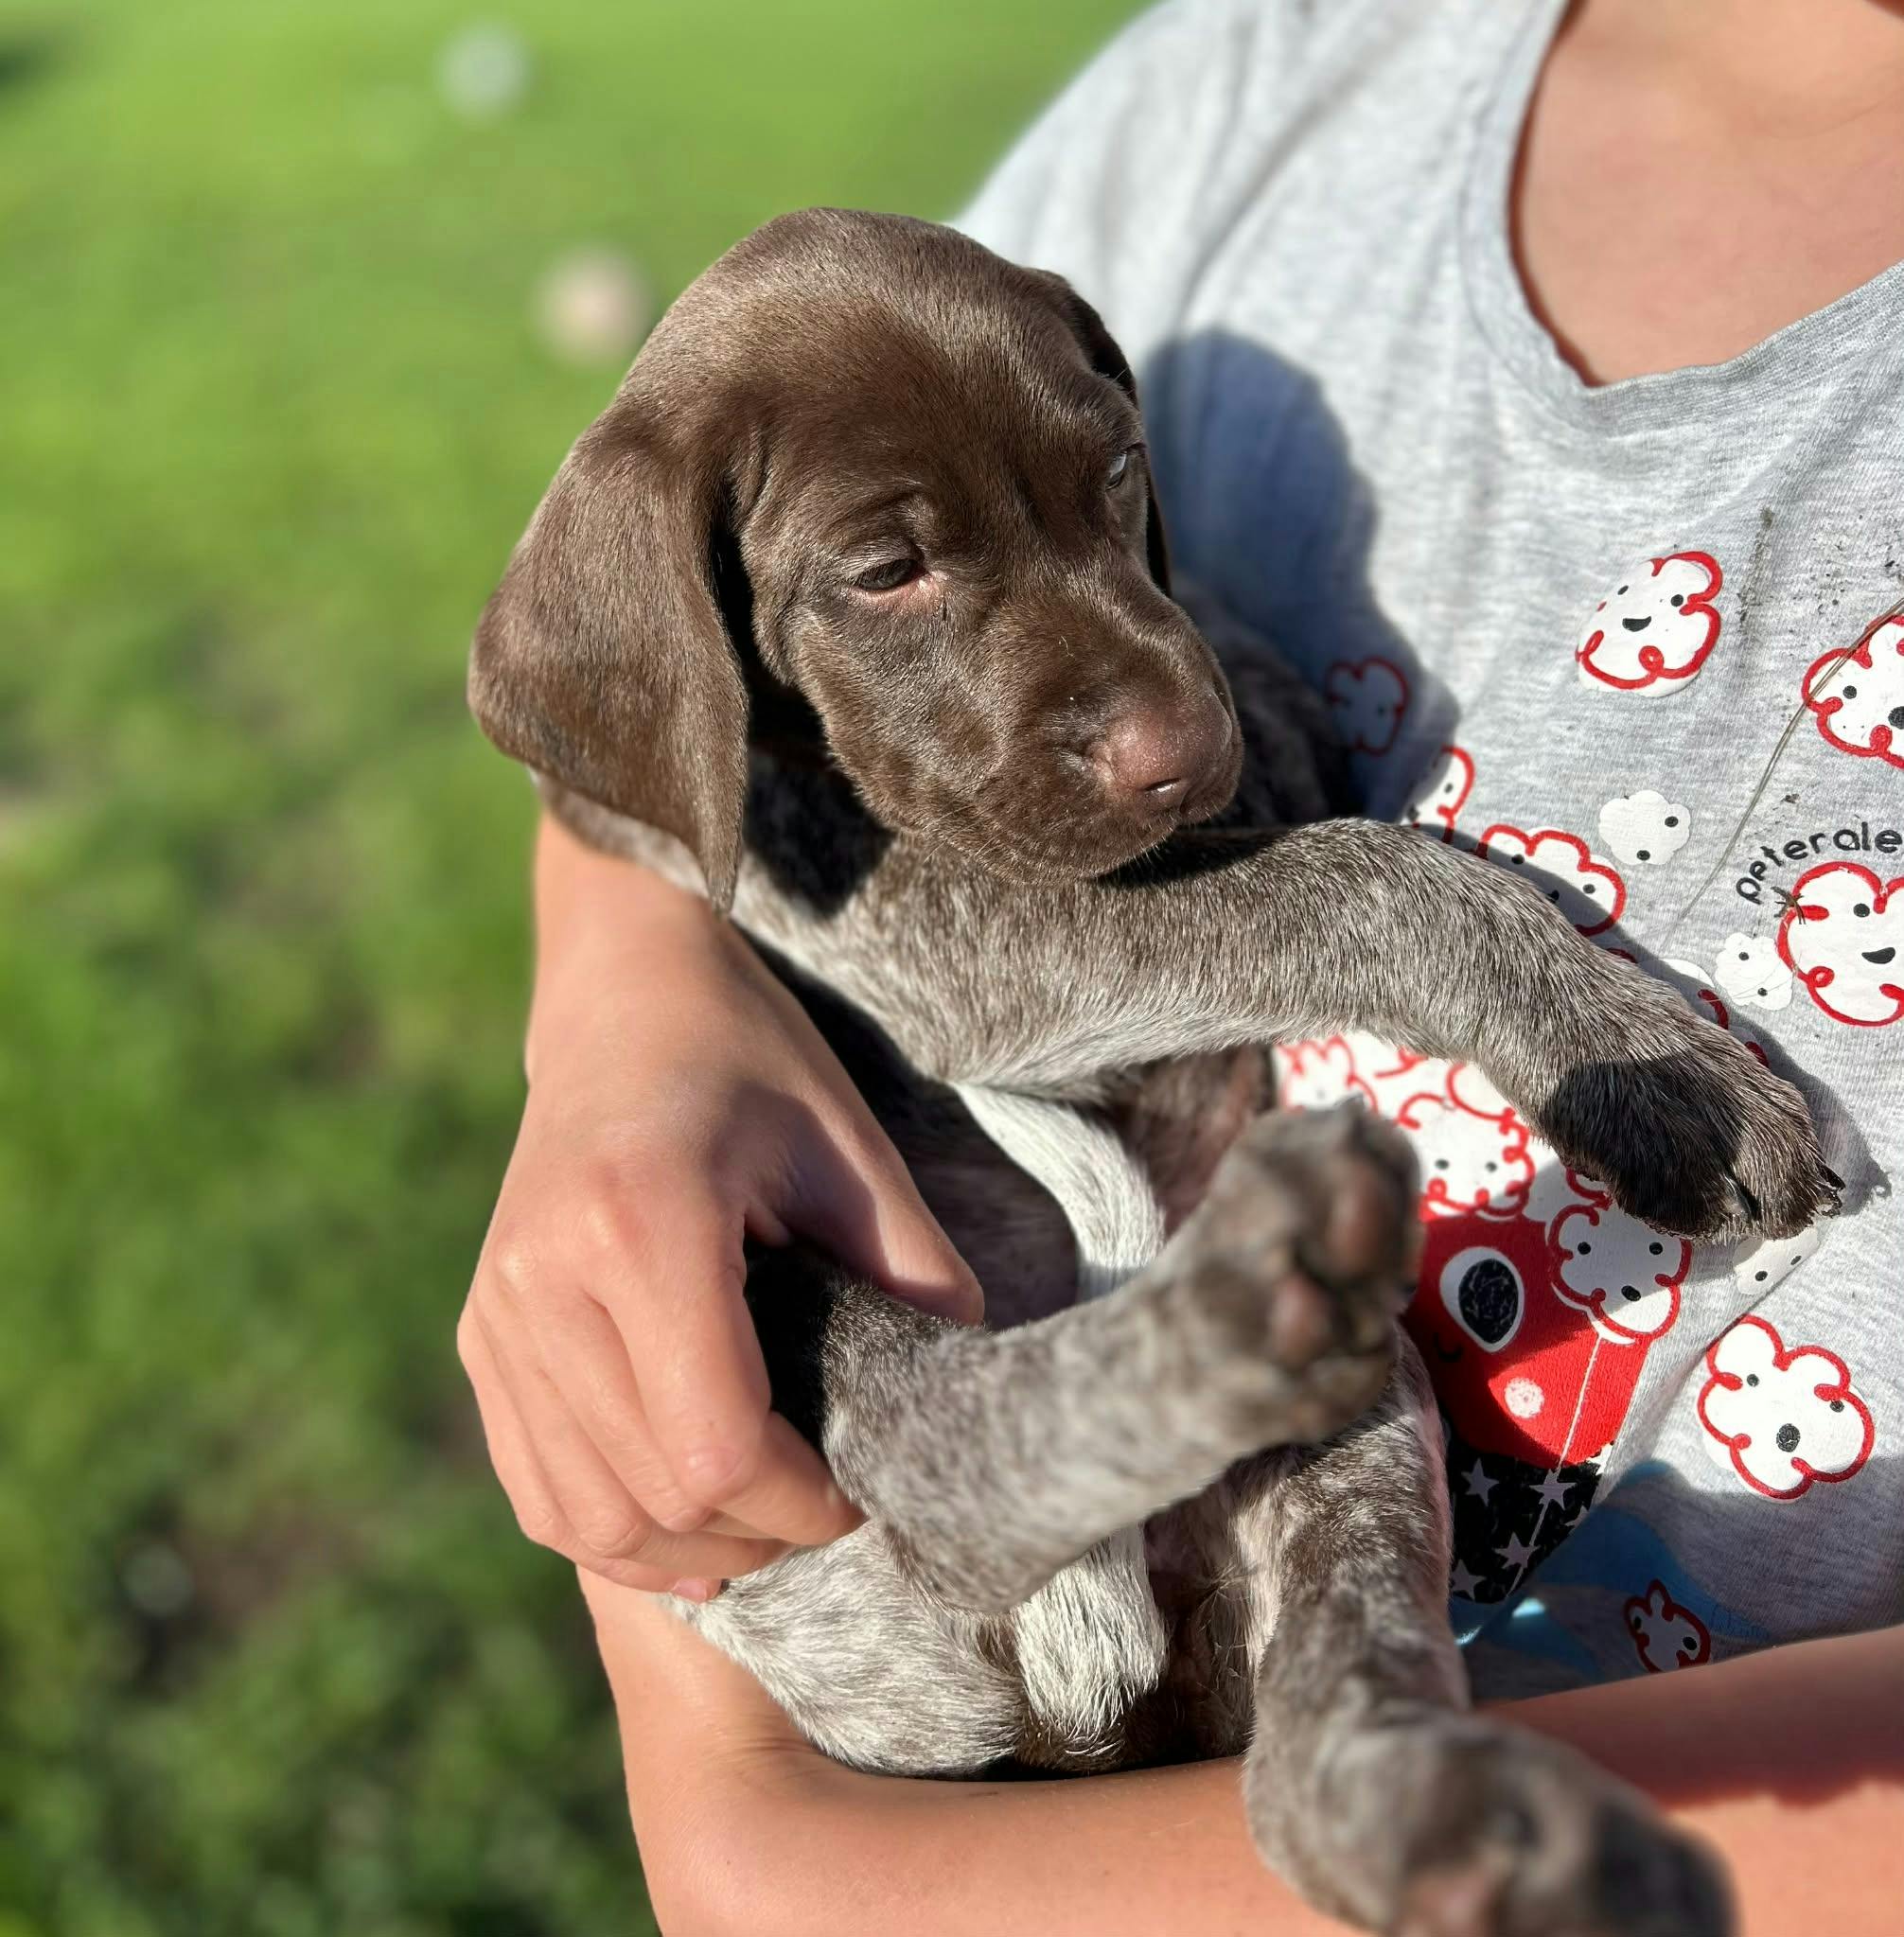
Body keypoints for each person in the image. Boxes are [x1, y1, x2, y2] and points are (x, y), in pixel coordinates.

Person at [459, 0, 1904, 1927]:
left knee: (1325, 1355)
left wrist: (821, 1871)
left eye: (1114, 496)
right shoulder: (1260, 83)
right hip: (917, 1519)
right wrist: (633, 1030)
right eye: (895, 568)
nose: (1159, 731)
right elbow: (637, 760)